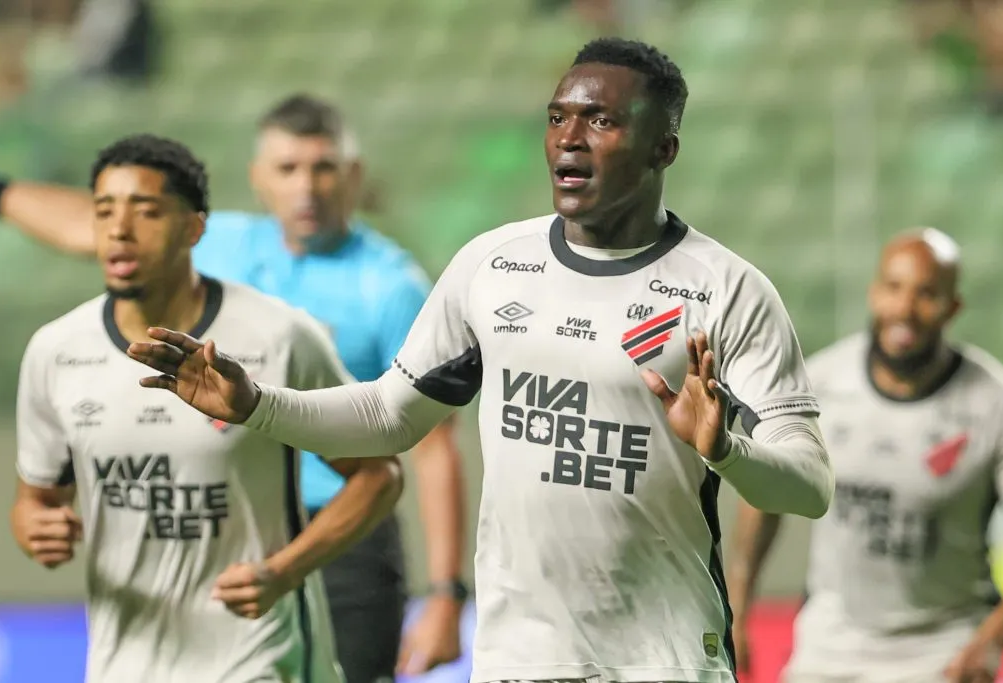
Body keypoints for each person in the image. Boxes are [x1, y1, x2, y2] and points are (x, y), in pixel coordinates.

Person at [124, 37, 834, 683]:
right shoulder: (493, 266)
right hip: (515, 656)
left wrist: (728, 451)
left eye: (602, 122)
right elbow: (386, 414)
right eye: (558, 119)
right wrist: (257, 403)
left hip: (661, 656)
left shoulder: (728, 290)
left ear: (663, 148)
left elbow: (808, 487)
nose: (570, 142)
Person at [0, 94, 466, 681]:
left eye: (323, 167)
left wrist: (444, 592)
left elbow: (428, 448)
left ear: (353, 175)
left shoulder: (385, 287)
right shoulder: (217, 245)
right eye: (287, 169)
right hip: (202, 535)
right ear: (258, 178)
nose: (305, 187)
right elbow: (84, 225)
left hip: (336, 535)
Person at [727, 229, 1003, 683]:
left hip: (943, 651)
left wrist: (990, 641)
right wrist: (737, 608)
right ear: (874, 292)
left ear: (953, 308)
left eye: (927, 294)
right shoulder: (820, 383)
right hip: (829, 647)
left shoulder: (993, 404)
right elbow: (766, 495)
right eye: (893, 288)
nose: (905, 310)